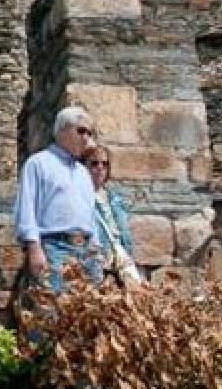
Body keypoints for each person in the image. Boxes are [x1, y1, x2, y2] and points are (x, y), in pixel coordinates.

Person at [14, 106, 103, 292]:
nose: (86, 137)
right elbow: (26, 208)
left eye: (89, 132)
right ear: (62, 130)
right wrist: (34, 248)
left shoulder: (83, 173)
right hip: (54, 248)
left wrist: (96, 247)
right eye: (81, 131)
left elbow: (90, 214)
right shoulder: (38, 163)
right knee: (54, 313)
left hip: (87, 253)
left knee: (88, 316)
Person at [83, 145, 142, 286]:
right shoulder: (81, 197)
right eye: (94, 163)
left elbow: (123, 231)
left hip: (120, 256)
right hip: (97, 259)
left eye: (105, 164)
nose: (100, 168)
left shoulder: (114, 198)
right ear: (85, 167)